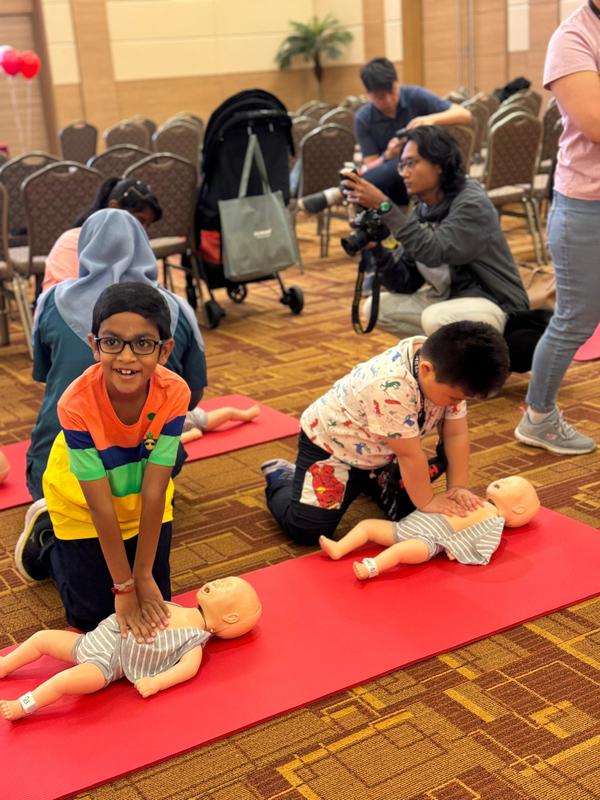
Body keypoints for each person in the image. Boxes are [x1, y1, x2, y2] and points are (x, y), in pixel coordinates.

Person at [16, 280, 192, 638]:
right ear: (95, 346)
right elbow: (99, 507)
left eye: (143, 343)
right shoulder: (75, 403)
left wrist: (141, 575)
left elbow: (156, 492)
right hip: (81, 503)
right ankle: (47, 542)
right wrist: (124, 587)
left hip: (141, 496)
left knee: (157, 611)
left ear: (164, 350)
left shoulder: (174, 392)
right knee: (93, 620)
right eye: (113, 342)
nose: (127, 358)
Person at [261, 321, 510, 545]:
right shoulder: (391, 386)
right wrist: (426, 502)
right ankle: (284, 477)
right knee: (307, 529)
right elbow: (410, 456)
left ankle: (371, 482)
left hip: (386, 453)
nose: (456, 403)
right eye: (454, 397)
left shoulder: (452, 372)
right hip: (334, 449)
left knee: (411, 518)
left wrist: (457, 488)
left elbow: (455, 436)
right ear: (425, 370)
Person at [25, 209, 207, 501]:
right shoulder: (176, 308)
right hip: (145, 469)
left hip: (53, 467)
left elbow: (45, 378)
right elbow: (192, 396)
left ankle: (54, 510)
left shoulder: (50, 302)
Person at [343, 125, 529, 338]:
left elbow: (433, 251)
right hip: (448, 302)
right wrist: (377, 248)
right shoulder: (422, 209)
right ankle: (447, 361)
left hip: (494, 304)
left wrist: (385, 206)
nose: (404, 173)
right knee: (377, 308)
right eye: (401, 165)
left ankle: (476, 364)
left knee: (435, 318)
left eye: (411, 163)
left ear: (439, 164)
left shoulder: (471, 203)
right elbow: (405, 282)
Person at [514, 1, 600, 456]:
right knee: (576, 319)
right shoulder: (573, 39)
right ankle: (539, 416)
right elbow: (595, 122)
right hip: (587, 205)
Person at [0, 576, 262, 721]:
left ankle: (24, 705)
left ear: (231, 619)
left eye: (226, 587)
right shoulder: (179, 607)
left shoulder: (194, 640)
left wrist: (156, 682)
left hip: (106, 664)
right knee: (41, 637)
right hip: (91, 640)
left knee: (62, 681)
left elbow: (188, 669)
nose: (218, 582)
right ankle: (5, 665)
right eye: (223, 579)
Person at [320, 476, 540, 579]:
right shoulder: (473, 498)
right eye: (508, 478)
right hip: (405, 527)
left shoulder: (493, 521)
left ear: (519, 509)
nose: (505, 481)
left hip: (428, 542)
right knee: (367, 525)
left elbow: (484, 544)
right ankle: (340, 548)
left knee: (397, 551)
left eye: (512, 485)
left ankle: (372, 567)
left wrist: (454, 550)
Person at [355, 57, 472, 206]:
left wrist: (431, 119)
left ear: (397, 83)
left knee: (401, 166)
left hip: (427, 175)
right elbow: (371, 166)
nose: (389, 100)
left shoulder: (415, 95)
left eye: (392, 92)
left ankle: (341, 191)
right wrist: (387, 155)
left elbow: (464, 114)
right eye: (380, 97)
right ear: (368, 95)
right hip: (390, 184)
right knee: (393, 168)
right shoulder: (363, 119)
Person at [42, 177, 162, 292]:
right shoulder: (71, 243)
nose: (143, 231)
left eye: (148, 225)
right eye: (140, 220)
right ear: (114, 208)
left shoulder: (131, 248)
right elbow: (72, 299)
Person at [181, 404, 260, 444]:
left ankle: (247, 415)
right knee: (229, 412)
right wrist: (193, 434)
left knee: (229, 412)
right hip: (197, 420)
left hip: (188, 414)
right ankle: (247, 415)